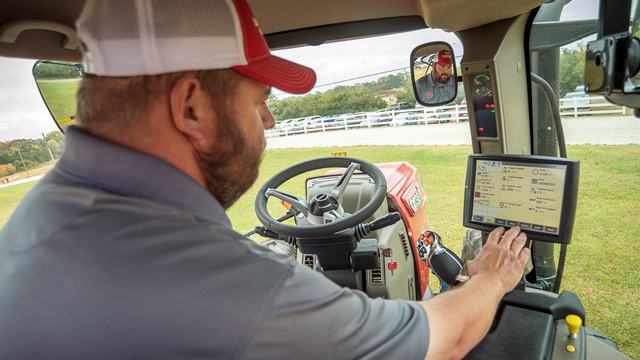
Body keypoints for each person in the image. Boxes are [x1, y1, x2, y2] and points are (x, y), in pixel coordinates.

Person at [0, 1, 529, 359]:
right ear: (191, 107)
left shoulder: (47, 210)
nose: (270, 122)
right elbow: (447, 339)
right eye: (259, 103)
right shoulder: (220, 281)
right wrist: (491, 278)